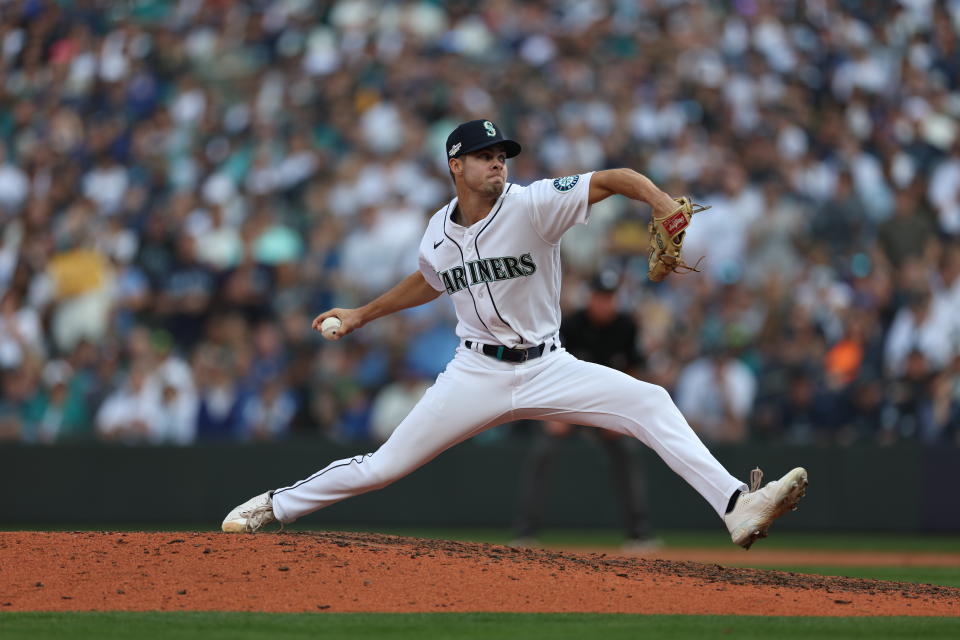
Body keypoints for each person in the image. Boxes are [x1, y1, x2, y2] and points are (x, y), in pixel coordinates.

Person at [222, 119, 807, 550]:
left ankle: (735, 504)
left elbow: (609, 178)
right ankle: (271, 506)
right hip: (475, 371)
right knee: (384, 467)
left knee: (649, 400)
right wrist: (359, 314)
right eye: (483, 155)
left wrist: (657, 201)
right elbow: (430, 280)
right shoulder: (437, 231)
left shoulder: (532, 205)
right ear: (456, 166)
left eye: (501, 153)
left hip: (549, 365)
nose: (497, 161)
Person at [512, 270, 659, 550]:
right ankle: (525, 532)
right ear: (590, 297)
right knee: (543, 452)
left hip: (608, 407)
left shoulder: (626, 326)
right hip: (568, 404)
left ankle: (639, 533)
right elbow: (549, 370)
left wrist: (622, 415)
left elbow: (632, 371)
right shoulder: (571, 325)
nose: (605, 303)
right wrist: (554, 413)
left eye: (610, 297)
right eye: (600, 297)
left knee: (627, 453)